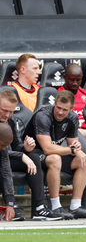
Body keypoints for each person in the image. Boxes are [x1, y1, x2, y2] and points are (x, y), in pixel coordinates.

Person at [24, 90, 86, 219]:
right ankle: (56, 206)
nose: (60, 112)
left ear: (71, 109)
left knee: (84, 160)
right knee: (55, 159)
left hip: (57, 152)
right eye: (58, 107)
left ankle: (75, 206)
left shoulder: (72, 117)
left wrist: (79, 152)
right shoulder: (42, 116)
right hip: (35, 153)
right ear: (54, 103)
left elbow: (74, 145)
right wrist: (73, 150)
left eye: (64, 110)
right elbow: (47, 148)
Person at [0, 90, 62, 221]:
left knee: (33, 157)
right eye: (4, 110)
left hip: (6, 156)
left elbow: (15, 145)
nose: (7, 115)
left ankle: (39, 208)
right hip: (4, 157)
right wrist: (21, 156)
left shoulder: (11, 119)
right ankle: (10, 206)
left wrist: (26, 148)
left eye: (11, 111)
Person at [58, 63, 86, 144]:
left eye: (78, 80)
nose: (75, 83)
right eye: (72, 80)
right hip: (71, 131)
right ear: (65, 77)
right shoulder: (59, 94)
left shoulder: (85, 93)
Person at [0, 123, 15, 221]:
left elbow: (6, 172)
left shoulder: (2, 150)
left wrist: (10, 203)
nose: (4, 148)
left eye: (6, 146)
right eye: (2, 145)